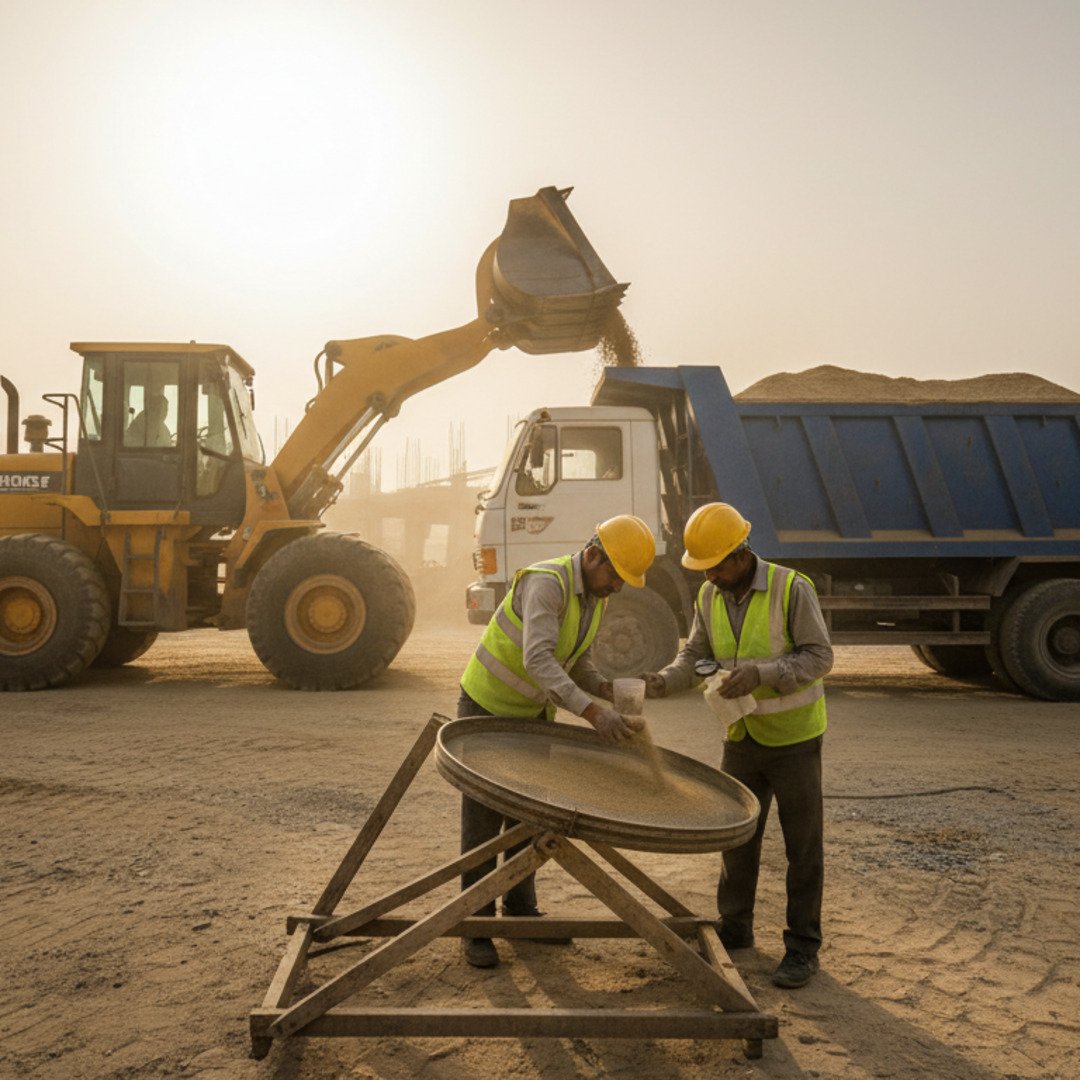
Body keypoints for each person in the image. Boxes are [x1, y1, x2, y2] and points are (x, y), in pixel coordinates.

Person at [641, 502, 833, 989]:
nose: (711, 574)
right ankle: (736, 927)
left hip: (793, 740)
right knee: (737, 838)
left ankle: (802, 948)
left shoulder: (792, 589)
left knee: (802, 848)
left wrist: (761, 674)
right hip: (741, 736)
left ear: (742, 553)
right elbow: (696, 653)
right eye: (705, 567)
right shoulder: (710, 594)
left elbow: (820, 656)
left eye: (718, 565)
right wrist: (664, 681)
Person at [457, 514, 657, 969]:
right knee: (483, 822)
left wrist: (603, 688)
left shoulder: (595, 596)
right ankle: (475, 926)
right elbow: (540, 660)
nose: (618, 588)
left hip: (531, 714)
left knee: (529, 815)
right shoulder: (547, 584)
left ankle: (522, 915)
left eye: (625, 581)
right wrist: (592, 713)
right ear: (592, 555)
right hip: (487, 708)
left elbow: (576, 657)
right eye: (615, 576)